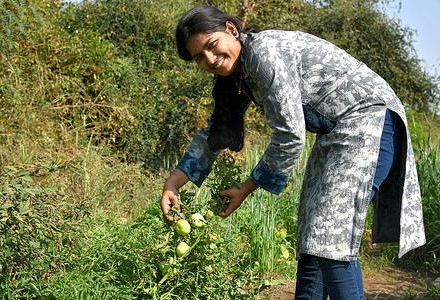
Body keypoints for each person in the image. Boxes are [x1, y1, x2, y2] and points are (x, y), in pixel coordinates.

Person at [160, 5, 426, 300]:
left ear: (231, 30)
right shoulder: (238, 75)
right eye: (199, 57)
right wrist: (173, 183)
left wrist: (247, 187)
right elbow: (215, 131)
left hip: (368, 120)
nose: (210, 59)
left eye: (212, 46)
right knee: (312, 243)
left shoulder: (263, 52)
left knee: (331, 240)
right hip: (336, 132)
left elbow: (290, 134)